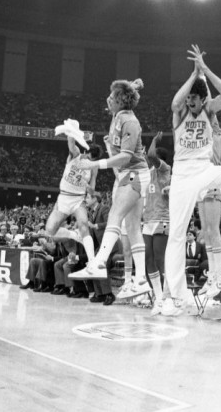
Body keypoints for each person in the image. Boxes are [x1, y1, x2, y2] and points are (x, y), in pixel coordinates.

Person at [163, 45, 221, 317]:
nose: (189, 101)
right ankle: (174, 297)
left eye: (194, 98)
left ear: (203, 101)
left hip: (204, 170)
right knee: (177, 235)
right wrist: (193, 75)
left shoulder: (210, 111)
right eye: (189, 98)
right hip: (181, 174)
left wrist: (206, 71)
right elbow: (175, 103)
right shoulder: (180, 114)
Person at [69, 79, 153, 302]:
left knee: (116, 215)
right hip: (128, 173)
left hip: (135, 173)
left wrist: (96, 164)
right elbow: (126, 93)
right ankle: (141, 280)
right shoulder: (118, 113)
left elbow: (126, 156)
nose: (108, 98)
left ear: (120, 102)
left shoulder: (131, 123)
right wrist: (133, 85)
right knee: (133, 228)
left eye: (113, 97)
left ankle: (98, 263)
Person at [44, 128, 102, 262]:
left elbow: (92, 189)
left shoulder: (93, 167)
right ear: (85, 152)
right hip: (64, 197)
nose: (88, 162)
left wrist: (89, 189)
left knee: (83, 225)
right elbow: (70, 142)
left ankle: (92, 261)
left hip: (78, 199)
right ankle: (73, 235)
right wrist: (72, 129)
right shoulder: (75, 155)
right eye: (88, 158)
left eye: (92, 160)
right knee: (50, 231)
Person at [142, 131, 172, 315]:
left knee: (161, 259)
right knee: (148, 259)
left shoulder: (164, 168)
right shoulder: (147, 173)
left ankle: (168, 297)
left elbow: (151, 155)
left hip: (162, 218)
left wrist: (153, 140)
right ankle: (158, 297)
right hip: (148, 220)